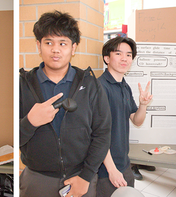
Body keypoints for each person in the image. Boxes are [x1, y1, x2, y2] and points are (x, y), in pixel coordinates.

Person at [19, 10, 111, 197]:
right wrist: (30, 122)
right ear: (39, 45)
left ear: (73, 48)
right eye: (48, 43)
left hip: (81, 178)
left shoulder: (90, 84)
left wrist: (86, 177)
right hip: (37, 179)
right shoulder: (22, 85)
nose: (55, 49)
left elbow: (102, 133)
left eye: (63, 43)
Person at [95, 36, 152, 196]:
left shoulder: (124, 85)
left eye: (128, 55)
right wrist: (111, 170)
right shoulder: (100, 87)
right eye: (118, 53)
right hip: (106, 168)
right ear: (107, 58)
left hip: (124, 163)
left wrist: (143, 105)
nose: (124, 58)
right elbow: (96, 133)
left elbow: (136, 120)